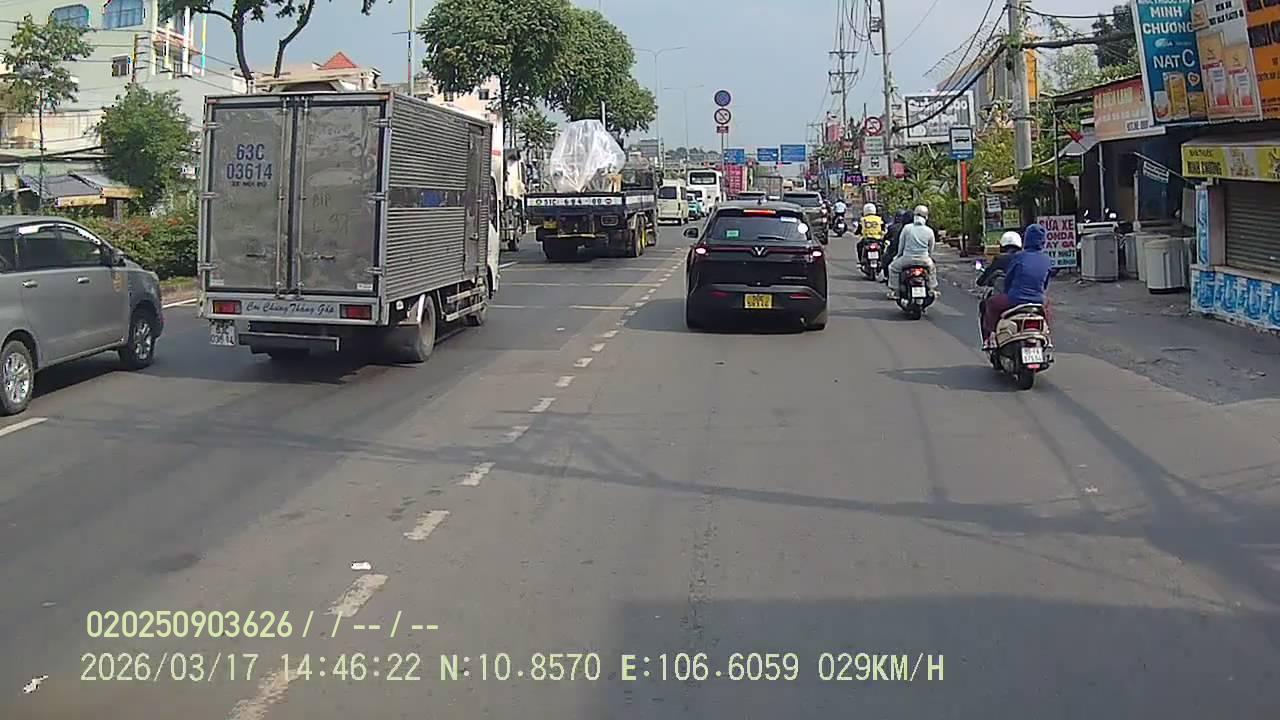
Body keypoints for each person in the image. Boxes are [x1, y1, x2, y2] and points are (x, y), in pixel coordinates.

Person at [982, 223, 1053, 347]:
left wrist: (1008, 291)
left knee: (991, 303)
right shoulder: (1046, 259)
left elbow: (1009, 279)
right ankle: (1046, 334)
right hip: (1038, 300)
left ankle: (991, 336)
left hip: (1015, 299)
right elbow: (1045, 283)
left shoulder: (1019, 257)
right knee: (1047, 309)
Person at [977, 231, 1023, 347]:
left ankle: (988, 339)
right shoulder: (1024, 258)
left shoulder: (1000, 259)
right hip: (1028, 298)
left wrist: (983, 280)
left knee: (986, 305)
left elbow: (983, 279)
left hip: (1008, 298)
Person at [886, 205, 938, 297]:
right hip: (924, 259)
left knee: (892, 268)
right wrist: (929, 256)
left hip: (907, 259)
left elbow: (901, 245)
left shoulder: (907, 228)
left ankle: (896, 291)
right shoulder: (929, 231)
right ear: (926, 217)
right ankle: (931, 289)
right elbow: (931, 247)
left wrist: (898, 256)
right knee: (932, 269)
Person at [879, 209, 911, 282]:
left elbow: (887, 238)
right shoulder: (909, 228)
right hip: (909, 253)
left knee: (886, 260)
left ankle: (887, 278)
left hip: (896, 252)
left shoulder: (895, 227)